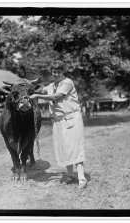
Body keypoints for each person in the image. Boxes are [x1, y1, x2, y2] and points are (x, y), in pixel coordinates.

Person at [30, 61, 87, 189]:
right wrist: (31, 86)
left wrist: (38, 95)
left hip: (71, 118)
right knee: (64, 149)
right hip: (58, 121)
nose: (55, 73)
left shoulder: (67, 82)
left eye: (58, 71)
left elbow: (57, 96)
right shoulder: (52, 85)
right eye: (54, 71)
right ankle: (70, 175)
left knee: (75, 147)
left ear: (63, 72)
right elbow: (41, 89)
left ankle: (81, 178)